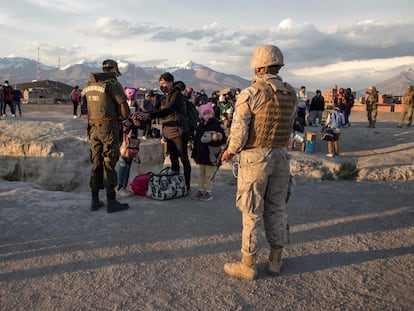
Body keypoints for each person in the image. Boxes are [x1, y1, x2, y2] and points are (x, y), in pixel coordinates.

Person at [220, 45, 298, 280]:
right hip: (281, 157)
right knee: (277, 207)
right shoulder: (290, 93)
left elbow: (240, 130)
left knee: (251, 210)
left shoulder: (251, 93)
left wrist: (229, 152)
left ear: (260, 67)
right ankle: (275, 261)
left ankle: (248, 264)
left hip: (255, 158)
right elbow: (291, 124)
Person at [83, 59, 131, 213]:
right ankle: (111, 202)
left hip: (93, 129)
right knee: (109, 163)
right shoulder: (112, 84)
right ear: (114, 69)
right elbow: (124, 110)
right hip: (109, 129)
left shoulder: (90, 85)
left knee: (96, 163)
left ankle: (95, 201)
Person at [138, 72, 192, 190]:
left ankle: (187, 184)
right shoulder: (163, 97)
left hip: (179, 131)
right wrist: (144, 114)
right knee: (172, 158)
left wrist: (150, 116)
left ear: (171, 82)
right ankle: (176, 183)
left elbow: (169, 110)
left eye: (164, 83)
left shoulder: (176, 95)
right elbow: (155, 110)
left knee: (183, 158)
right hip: (168, 131)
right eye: (160, 83)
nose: (162, 86)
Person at [191, 103, 226, 201]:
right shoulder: (200, 125)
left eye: (209, 113)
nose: (207, 115)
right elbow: (197, 141)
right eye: (205, 113)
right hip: (201, 154)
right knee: (201, 173)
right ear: (201, 115)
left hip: (211, 154)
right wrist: (195, 154)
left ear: (212, 113)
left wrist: (213, 140)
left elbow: (222, 139)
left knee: (209, 174)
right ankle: (201, 189)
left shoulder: (216, 125)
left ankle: (209, 191)